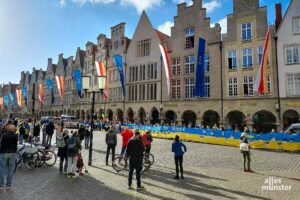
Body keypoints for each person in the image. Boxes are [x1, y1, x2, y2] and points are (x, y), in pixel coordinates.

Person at [0, 121, 18, 190]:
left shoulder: (3, 135)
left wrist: (4, 127)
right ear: (14, 130)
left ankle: (1, 185)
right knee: (11, 169)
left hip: (3, 152)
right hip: (13, 153)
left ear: (7, 129)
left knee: (1, 169)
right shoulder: (16, 135)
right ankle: (8, 185)